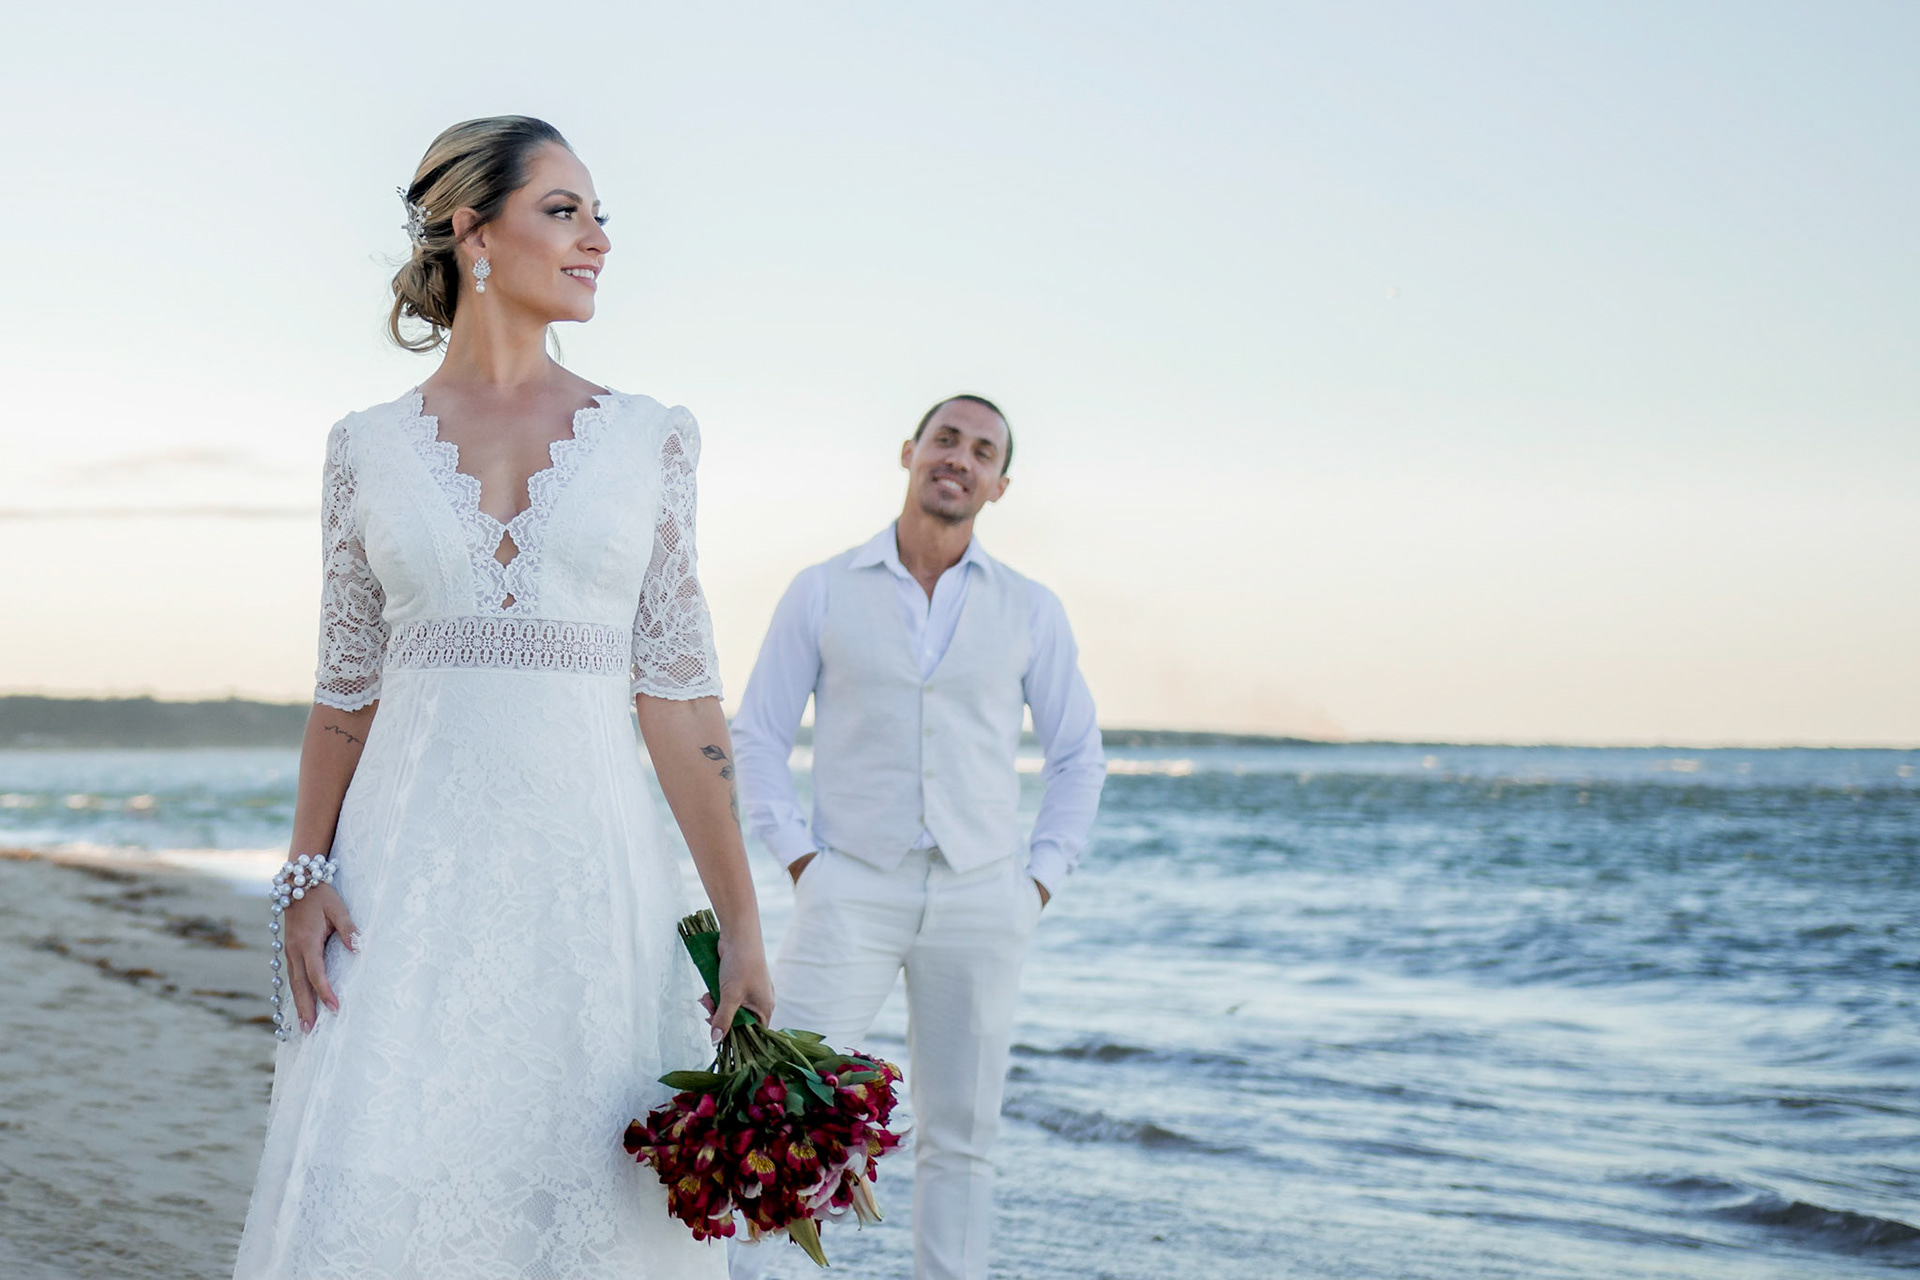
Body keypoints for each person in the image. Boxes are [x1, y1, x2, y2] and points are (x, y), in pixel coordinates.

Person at [231, 116, 773, 1279]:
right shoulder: (365, 448)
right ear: (475, 232)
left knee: (588, 1189)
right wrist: (304, 873)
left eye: (600, 215)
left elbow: (680, 702)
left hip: (593, 890)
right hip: (400, 887)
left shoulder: (651, 441)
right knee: (390, 1178)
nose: (599, 241)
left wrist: (739, 924)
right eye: (566, 210)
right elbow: (344, 691)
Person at [728, 395, 1106, 1280]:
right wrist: (800, 862)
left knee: (961, 1139)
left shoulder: (1030, 608)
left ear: (999, 485)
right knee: (790, 1113)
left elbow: (1078, 757)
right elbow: (756, 737)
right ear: (909, 451)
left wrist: (1036, 883)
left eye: (982, 451)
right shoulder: (822, 588)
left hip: (983, 895)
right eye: (947, 439)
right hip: (847, 885)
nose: (959, 459)